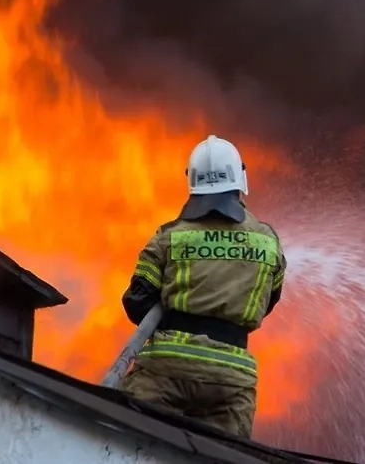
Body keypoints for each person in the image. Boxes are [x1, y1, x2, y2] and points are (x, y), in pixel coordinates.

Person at [119, 134, 287, 438]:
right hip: (232, 378)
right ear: (239, 177)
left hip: (166, 370)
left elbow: (136, 303)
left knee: (132, 442)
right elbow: (269, 300)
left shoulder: (169, 236)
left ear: (193, 182)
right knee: (223, 455)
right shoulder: (267, 240)